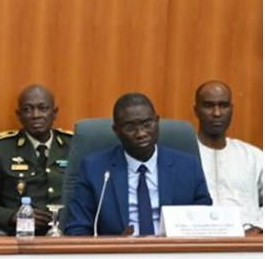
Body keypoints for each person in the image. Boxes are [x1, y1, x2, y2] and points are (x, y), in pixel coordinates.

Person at [66, 93, 211, 236]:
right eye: (130, 128)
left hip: (173, 249)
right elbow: (77, 229)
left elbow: (206, 224)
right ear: (116, 131)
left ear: (157, 122)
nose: (141, 133)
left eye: (147, 125)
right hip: (118, 250)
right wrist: (115, 245)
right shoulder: (95, 169)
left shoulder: (188, 166)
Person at [0, 84, 72, 236]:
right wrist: (12, 216)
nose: (36, 115)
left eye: (43, 108)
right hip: (20, 238)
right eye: (28, 109)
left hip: (67, 236)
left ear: (55, 113)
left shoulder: (73, 146)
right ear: (19, 115)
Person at [193, 80, 263, 235]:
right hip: (198, 238)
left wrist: (258, 227)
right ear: (196, 110)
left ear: (231, 109)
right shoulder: (183, 156)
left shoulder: (252, 156)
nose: (217, 113)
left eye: (223, 105)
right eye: (208, 106)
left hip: (247, 240)